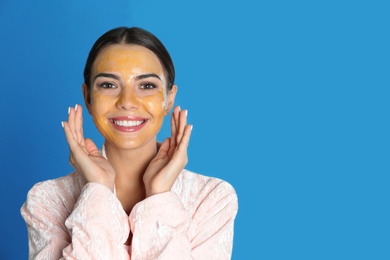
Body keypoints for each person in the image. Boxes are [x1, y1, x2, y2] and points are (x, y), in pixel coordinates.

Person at [20, 26, 238, 259]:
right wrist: (98, 189)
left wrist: (159, 196)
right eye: (109, 85)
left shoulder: (211, 198)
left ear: (169, 99)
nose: (127, 102)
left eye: (146, 86)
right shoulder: (47, 200)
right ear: (88, 98)